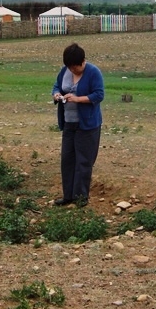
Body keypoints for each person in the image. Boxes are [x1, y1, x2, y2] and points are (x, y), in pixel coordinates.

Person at [51, 42, 105, 207]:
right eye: (70, 68)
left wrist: (77, 99)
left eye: (76, 67)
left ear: (83, 61)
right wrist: (57, 94)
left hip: (87, 125)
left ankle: (81, 198)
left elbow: (98, 94)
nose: (73, 70)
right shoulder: (64, 71)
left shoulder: (93, 72)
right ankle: (68, 196)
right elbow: (56, 86)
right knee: (67, 160)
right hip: (69, 123)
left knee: (83, 161)